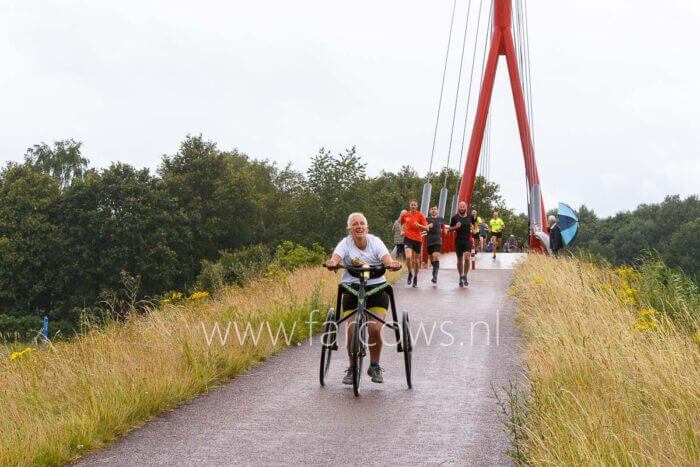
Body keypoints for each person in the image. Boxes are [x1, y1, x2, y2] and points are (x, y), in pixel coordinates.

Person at [324, 212, 402, 384]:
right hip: (352, 288)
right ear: (350, 229)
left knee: (374, 329)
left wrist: (392, 264)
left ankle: (374, 366)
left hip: (376, 288)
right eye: (355, 224)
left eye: (362, 224)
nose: (358, 227)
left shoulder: (375, 242)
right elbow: (335, 257)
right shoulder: (345, 243)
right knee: (352, 330)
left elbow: (387, 259)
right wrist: (332, 262)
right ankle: (352, 368)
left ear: (367, 228)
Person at [400, 200, 429, 288]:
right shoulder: (405, 215)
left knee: (416, 261)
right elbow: (401, 223)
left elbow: (427, 229)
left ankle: (415, 277)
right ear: (409, 206)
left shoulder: (420, 215)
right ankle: (410, 273)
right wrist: (402, 230)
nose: (413, 206)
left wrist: (419, 225)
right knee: (409, 257)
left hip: (417, 239)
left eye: (414, 205)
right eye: (412, 205)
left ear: (417, 206)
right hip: (408, 238)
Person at [447, 201, 475, 287]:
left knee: (467, 257)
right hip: (459, 241)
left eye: (463, 207)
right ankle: (460, 276)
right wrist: (456, 227)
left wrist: (474, 230)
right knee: (459, 260)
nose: (462, 208)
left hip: (468, 240)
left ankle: (465, 276)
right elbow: (449, 229)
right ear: (458, 208)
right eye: (460, 207)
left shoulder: (470, 216)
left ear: (466, 207)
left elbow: (474, 224)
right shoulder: (455, 217)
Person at [424, 206, 446, 284]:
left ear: (437, 211)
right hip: (430, 241)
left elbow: (443, 228)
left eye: (435, 209)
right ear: (430, 211)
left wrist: (445, 231)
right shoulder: (427, 219)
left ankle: (435, 276)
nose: (433, 210)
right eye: (432, 209)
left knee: (436, 257)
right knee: (432, 258)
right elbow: (424, 228)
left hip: (438, 241)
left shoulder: (441, 219)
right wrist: (427, 226)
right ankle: (434, 271)